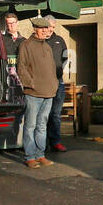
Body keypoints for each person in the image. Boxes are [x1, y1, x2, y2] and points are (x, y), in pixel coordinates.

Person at [17, 17, 58, 169]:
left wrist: (53, 85)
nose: (45, 31)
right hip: (33, 93)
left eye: (46, 29)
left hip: (49, 92)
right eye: (42, 29)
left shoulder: (47, 46)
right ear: (35, 29)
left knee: (42, 126)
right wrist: (31, 84)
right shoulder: (25, 45)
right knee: (30, 125)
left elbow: (52, 68)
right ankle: (30, 156)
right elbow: (21, 68)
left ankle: (40, 155)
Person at [43, 14, 69, 154]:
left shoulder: (60, 40)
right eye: (49, 27)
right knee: (44, 114)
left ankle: (56, 142)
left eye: (53, 27)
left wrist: (60, 70)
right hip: (44, 83)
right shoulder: (40, 41)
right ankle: (43, 143)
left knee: (56, 114)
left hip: (58, 81)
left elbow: (65, 58)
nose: (51, 30)